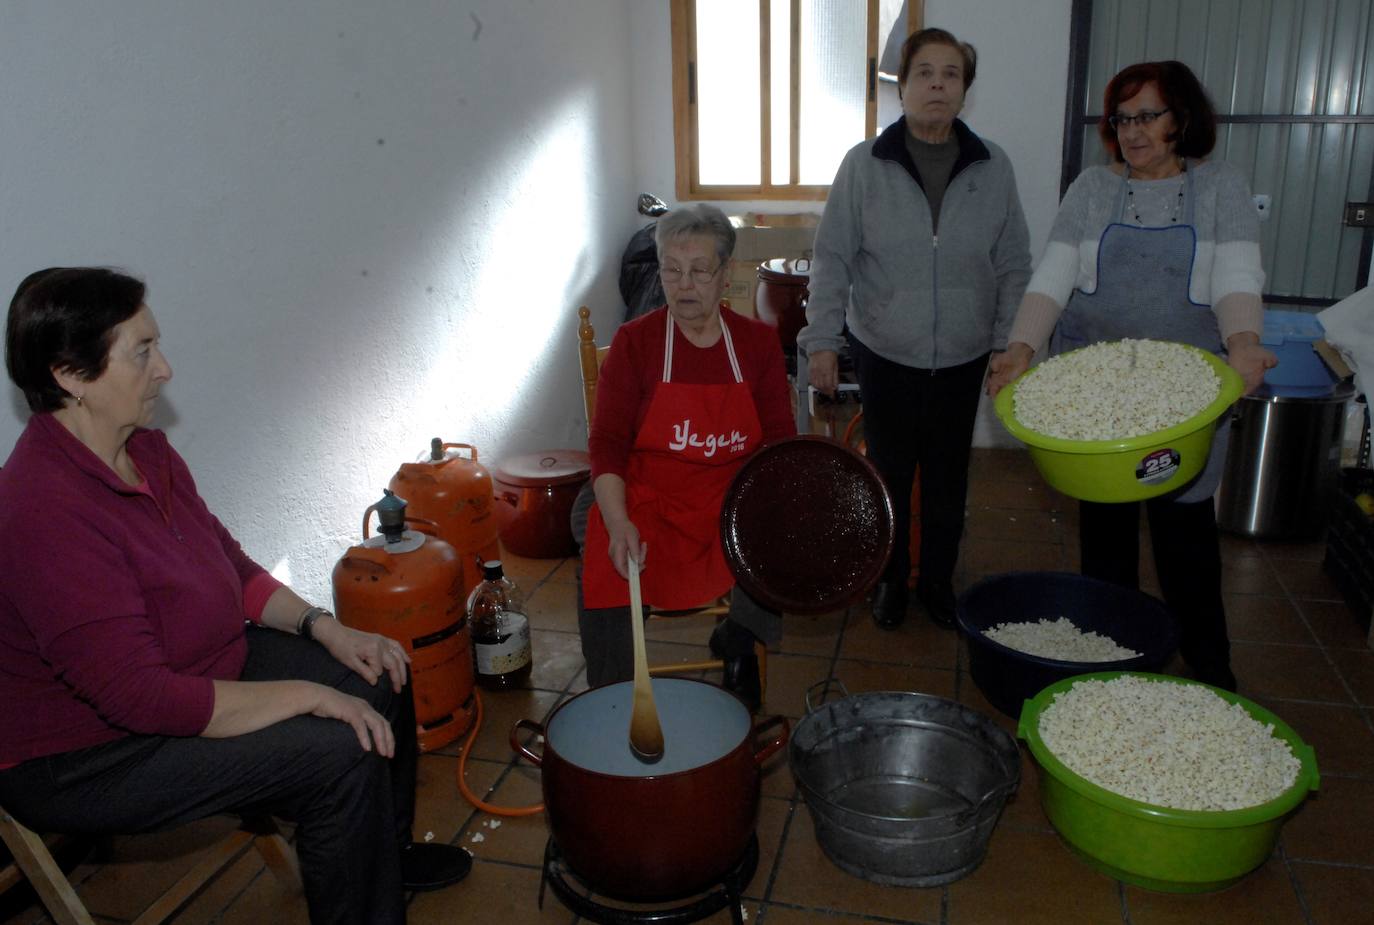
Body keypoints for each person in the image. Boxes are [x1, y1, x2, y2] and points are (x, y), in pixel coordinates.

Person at [0, 267, 472, 925]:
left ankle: (382, 858)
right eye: (141, 351)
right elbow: (142, 697)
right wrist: (310, 696)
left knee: (377, 672)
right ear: (70, 376)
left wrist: (323, 628)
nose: (164, 369)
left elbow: (227, 561)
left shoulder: (145, 450)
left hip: (191, 663)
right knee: (337, 754)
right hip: (95, 752)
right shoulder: (42, 510)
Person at [986, 61, 1278, 692]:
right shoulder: (1093, 189)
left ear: (1182, 119)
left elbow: (1236, 276)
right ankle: (1112, 665)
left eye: (1149, 115)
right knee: (1107, 543)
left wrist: (1245, 342)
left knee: (1186, 541)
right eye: (1123, 118)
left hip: (1184, 400)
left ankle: (1210, 671)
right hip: (1100, 396)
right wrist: (1020, 348)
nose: (1133, 131)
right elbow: (1053, 276)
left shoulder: (1220, 187)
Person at [797, 27, 1031, 631]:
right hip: (885, 350)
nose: (937, 84)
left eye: (950, 74)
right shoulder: (864, 164)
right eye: (924, 73)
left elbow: (1012, 263)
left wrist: (1007, 343)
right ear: (903, 89)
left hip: (963, 352)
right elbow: (832, 258)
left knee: (950, 479)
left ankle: (937, 584)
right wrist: (821, 340)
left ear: (963, 91)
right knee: (890, 477)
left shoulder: (992, 166)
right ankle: (890, 582)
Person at [574, 204, 796, 710]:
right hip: (649, 491)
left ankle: (739, 641)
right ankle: (610, 691)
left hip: (729, 493)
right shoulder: (636, 343)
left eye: (699, 271)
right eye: (671, 270)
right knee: (598, 533)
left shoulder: (758, 345)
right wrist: (618, 518)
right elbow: (606, 443)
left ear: (727, 276)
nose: (684, 285)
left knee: (776, 523)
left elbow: (778, 443)